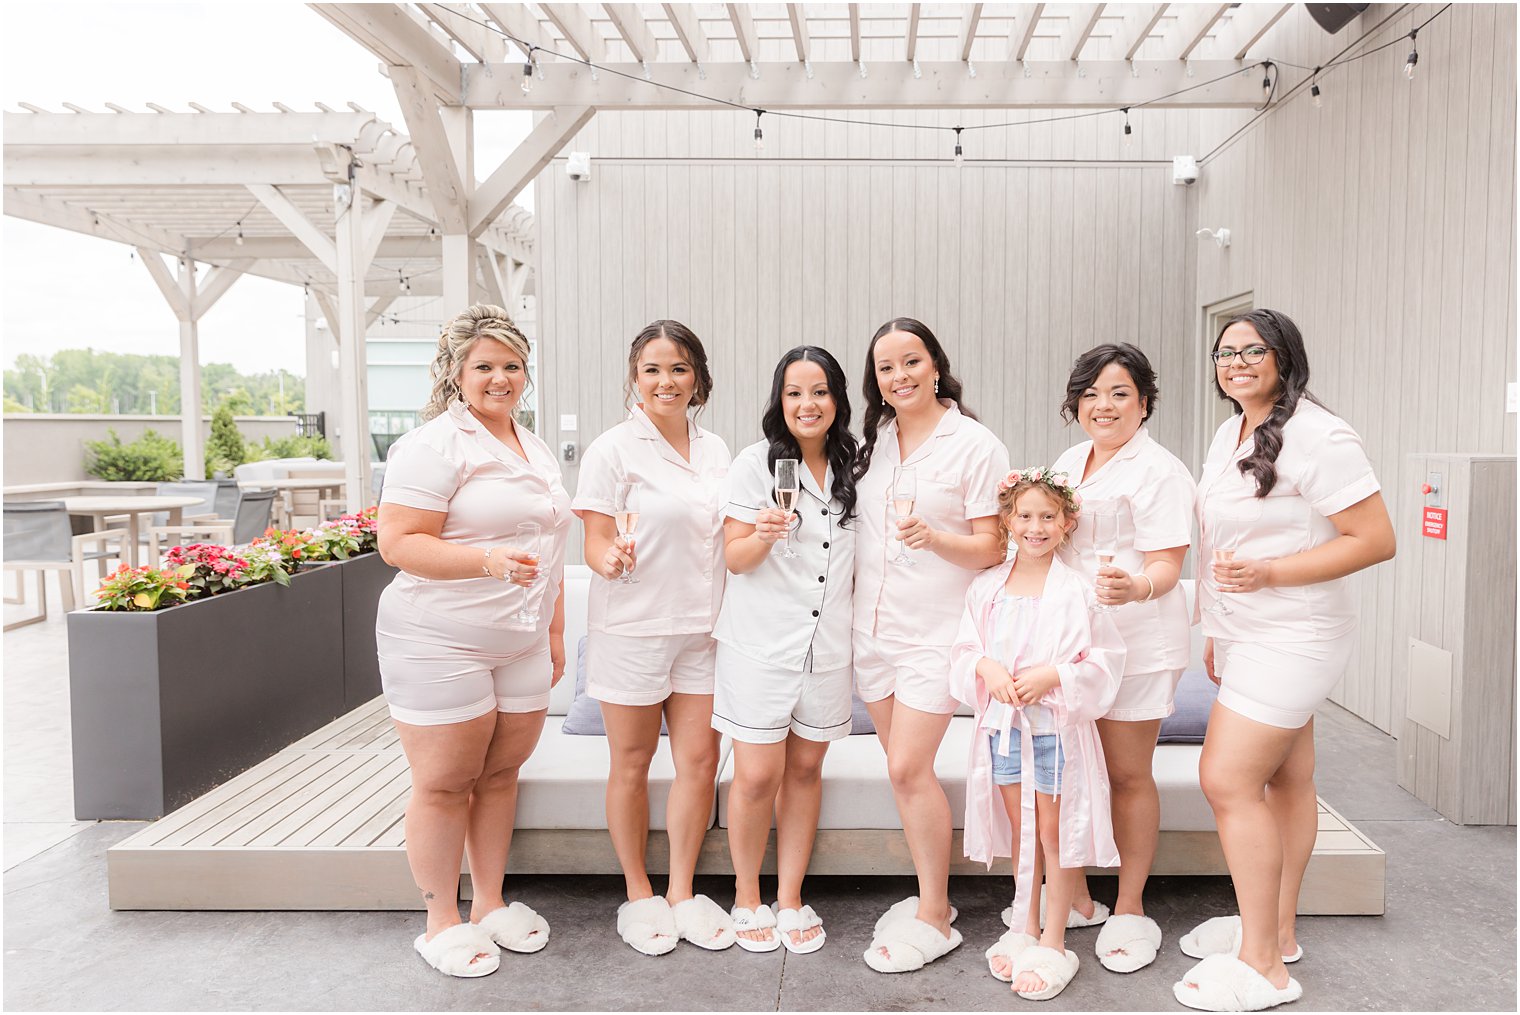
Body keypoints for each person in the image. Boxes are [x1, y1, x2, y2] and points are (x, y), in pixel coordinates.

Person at [1174, 309, 1394, 1012]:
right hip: (1245, 630)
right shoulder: (1228, 429)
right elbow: (1218, 541)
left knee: (1226, 777)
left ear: (1284, 357)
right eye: (1225, 351)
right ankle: (1280, 929)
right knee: (1289, 779)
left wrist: (1271, 575)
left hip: (1295, 633)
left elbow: (1375, 538)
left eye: (1253, 350)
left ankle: (1263, 964)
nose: (1236, 361)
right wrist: (1216, 625)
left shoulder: (1319, 434)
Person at [375, 304, 570, 977]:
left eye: (513, 365)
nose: (501, 377)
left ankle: (490, 900)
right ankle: (441, 919)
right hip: (438, 639)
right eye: (485, 365)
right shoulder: (433, 444)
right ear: (457, 373)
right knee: (444, 781)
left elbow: (549, 541)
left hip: (518, 639)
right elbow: (397, 542)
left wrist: (554, 629)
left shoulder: (531, 442)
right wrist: (484, 559)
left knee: (499, 775)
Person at [572, 320, 736, 956]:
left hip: (706, 629)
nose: (666, 382)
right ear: (634, 378)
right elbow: (593, 539)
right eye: (652, 370)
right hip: (635, 627)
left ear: (697, 378)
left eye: (679, 369)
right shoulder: (612, 449)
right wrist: (607, 559)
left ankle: (681, 891)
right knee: (633, 763)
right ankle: (639, 893)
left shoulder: (719, 449)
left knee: (698, 763)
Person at [851, 317, 1009, 973]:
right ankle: (928, 895)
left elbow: (995, 544)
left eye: (911, 361)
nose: (901, 376)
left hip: (936, 634)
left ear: (935, 364)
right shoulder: (876, 440)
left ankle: (935, 912)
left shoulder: (975, 444)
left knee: (907, 769)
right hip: (874, 630)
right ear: (877, 381)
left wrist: (936, 539)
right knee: (902, 771)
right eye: (887, 367)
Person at [1045, 343, 1195, 972]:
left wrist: (1136, 587)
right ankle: (1074, 895)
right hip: (1072, 641)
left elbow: (1168, 563)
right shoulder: (1069, 460)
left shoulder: (1160, 471)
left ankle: (1131, 906)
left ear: (1143, 402)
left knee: (1129, 774)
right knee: (1072, 769)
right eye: (1091, 394)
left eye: (1119, 394)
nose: (1102, 406)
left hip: (1137, 641)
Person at [949, 467, 1124, 1001]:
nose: (1036, 526)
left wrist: (1055, 675)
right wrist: (988, 668)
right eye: (1024, 516)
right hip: (1004, 730)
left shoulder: (1078, 591)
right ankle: (1024, 923)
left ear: (1067, 523)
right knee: (1022, 828)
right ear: (1007, 522)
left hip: (1053, 728)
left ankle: (1053, 939)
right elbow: (963, 650)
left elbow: (1105, 659)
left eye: (1048, 516)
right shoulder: (986, 588)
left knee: (1055, 829)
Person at [712, 346, 859, 955]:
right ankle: (748, 895)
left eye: (820, 391)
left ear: (837, 400)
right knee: (755, 776)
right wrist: (764, 535)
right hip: (761, 647)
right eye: (795, 393)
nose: (807, 404)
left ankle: (792, 896)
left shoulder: (858, 465)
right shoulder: (755, 464)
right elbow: (735, 559)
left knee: (805, 771)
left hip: (828, 649)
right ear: (780, 400)